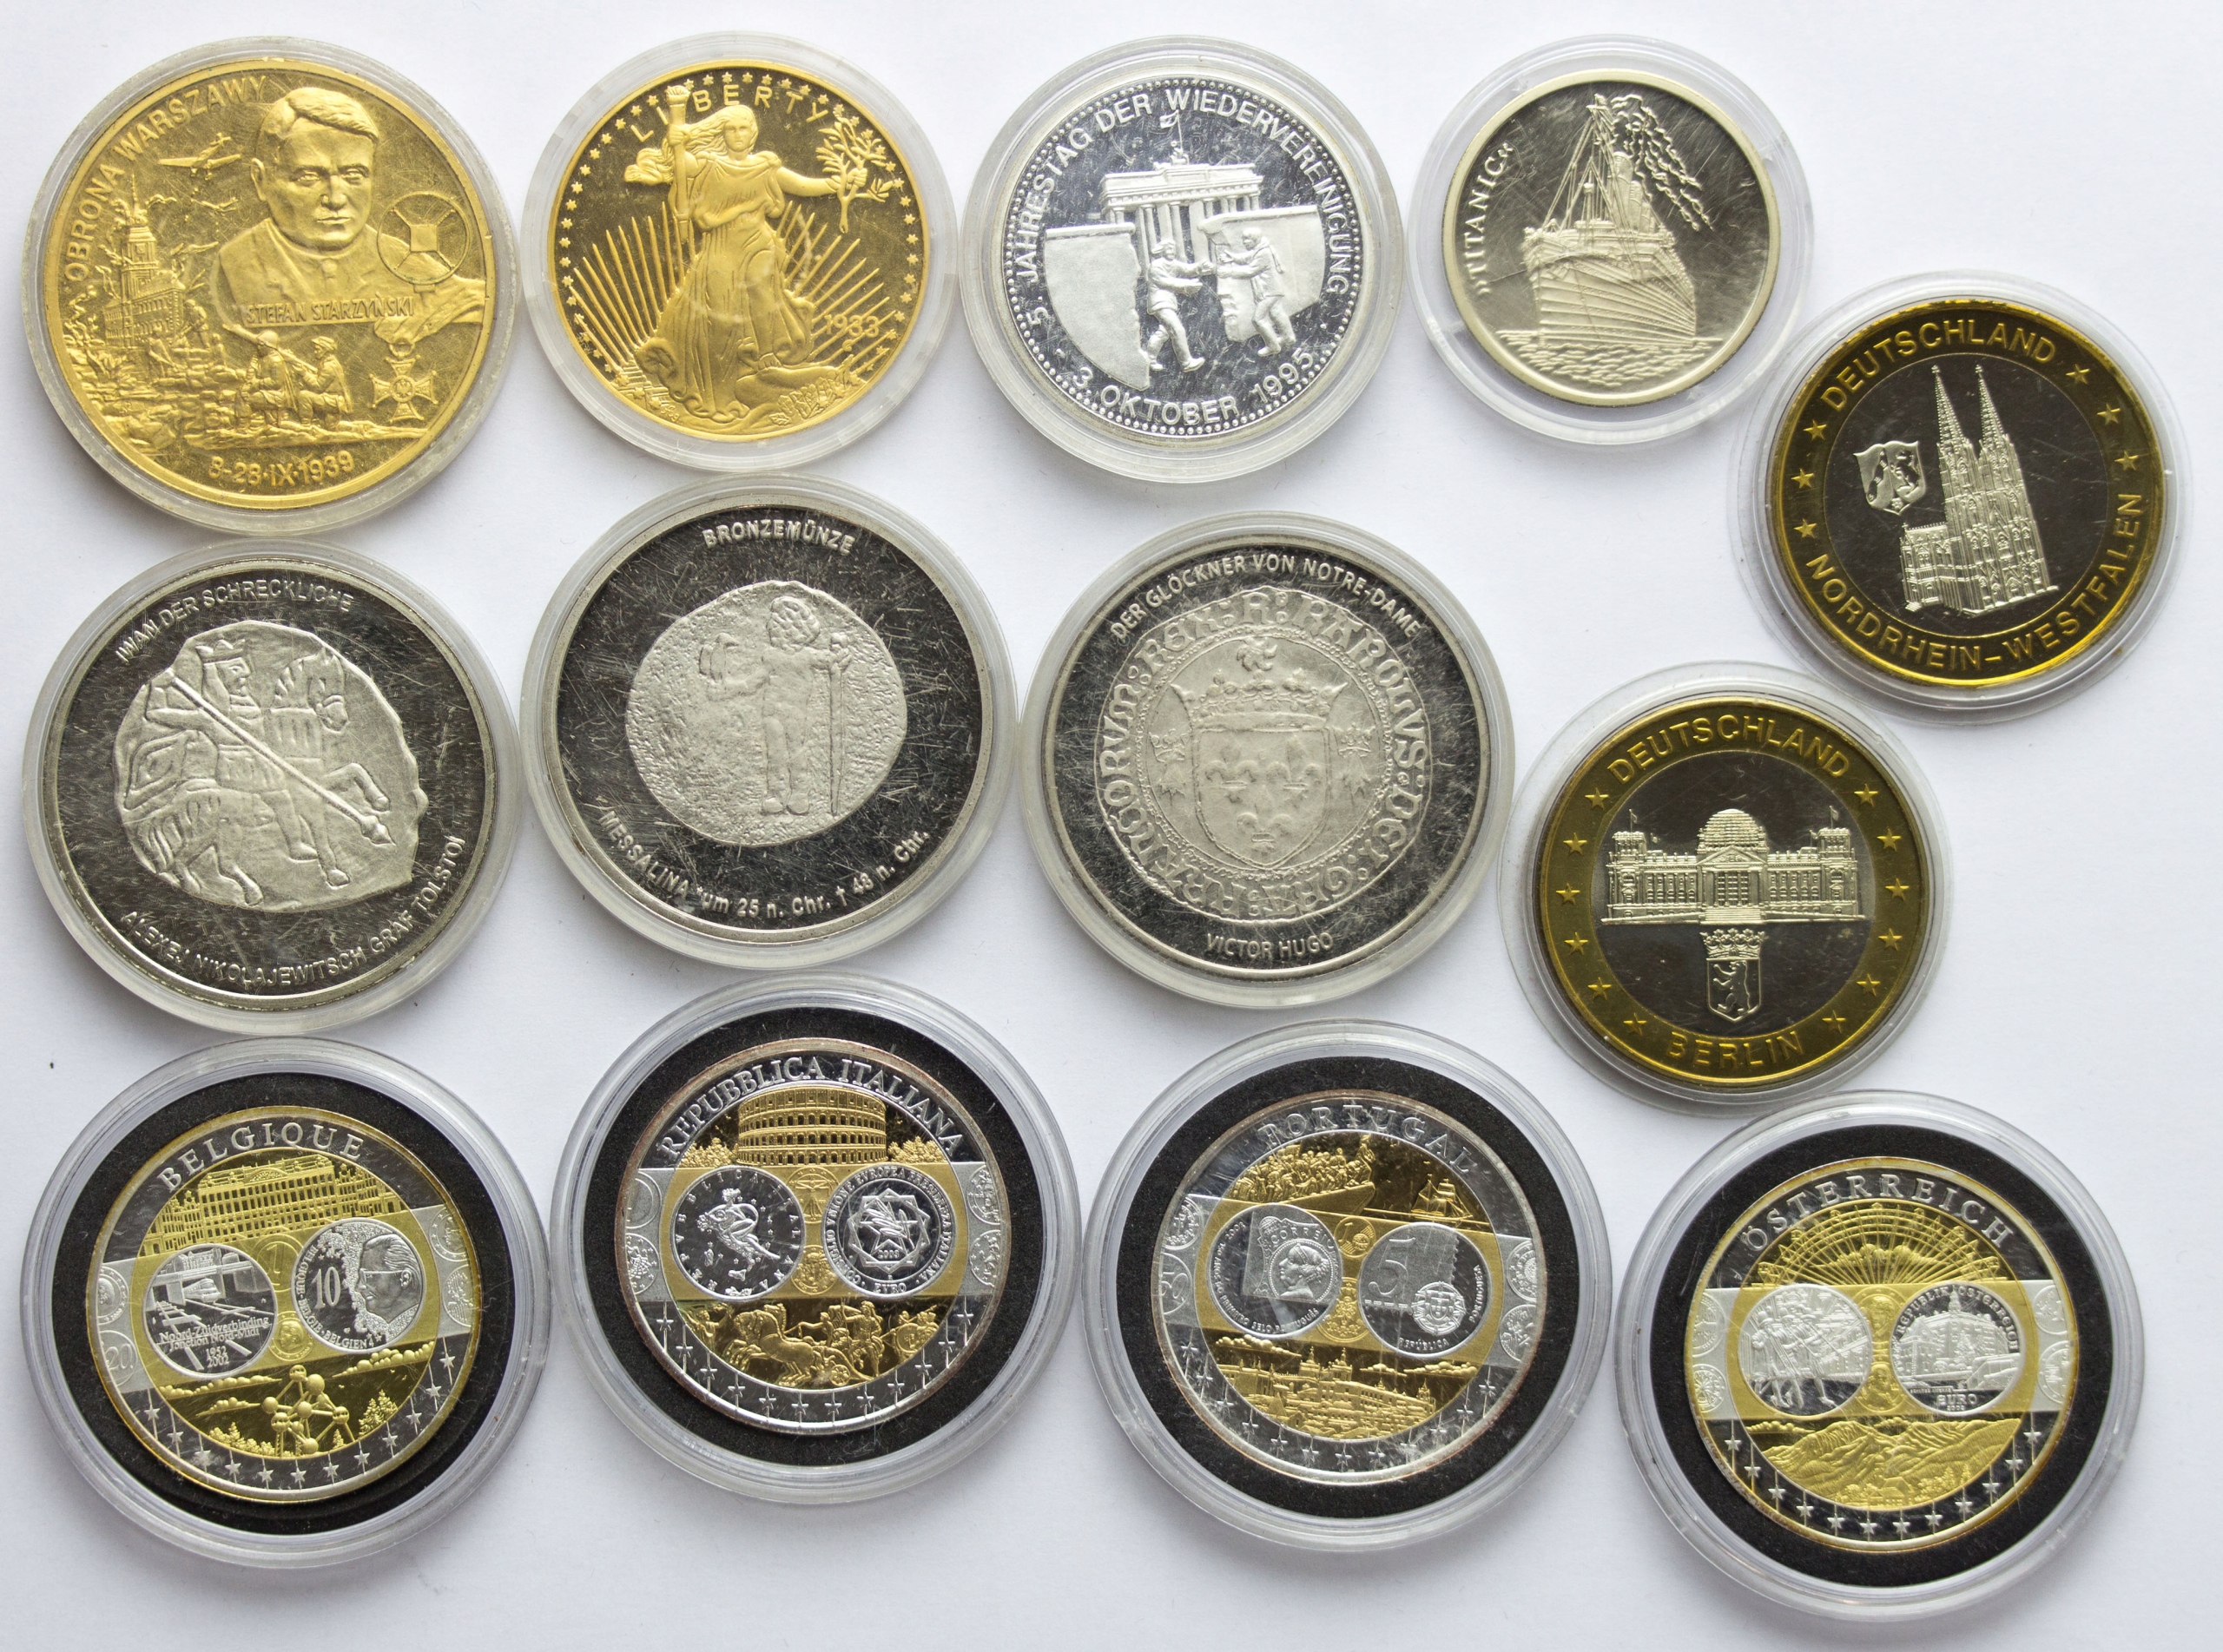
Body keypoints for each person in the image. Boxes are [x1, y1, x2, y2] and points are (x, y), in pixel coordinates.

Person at [627, 96, 856, 423]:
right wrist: (676, 139)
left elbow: (803, 185)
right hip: (720, 249)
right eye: (731, 129)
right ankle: (719, 398)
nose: (737, 134)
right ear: (723, 134)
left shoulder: (764, 166)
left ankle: (766, 355)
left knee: (762, 288)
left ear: (753, 133)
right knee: (720, 321)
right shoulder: (708, 163)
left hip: (758, 242)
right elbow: (682, 163)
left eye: (743, 129)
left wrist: (840, 183)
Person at [1221, 227, 1296, 357]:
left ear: (1255, 239)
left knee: (1258, 319)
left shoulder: (1263, 253)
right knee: (1276, 313)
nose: (1244, 242)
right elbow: (1246, 258)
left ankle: (1273, 346)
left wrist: (1230, 271)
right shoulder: (1259, 249)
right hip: (1273, 290)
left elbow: (1251, 270)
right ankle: (1288, 337)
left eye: (1247, 239)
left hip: (1269, 291)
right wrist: (1231, 258)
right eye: (1243, 239)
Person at [1142, 237, 1211, 372]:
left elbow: (1187, 269)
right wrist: (1187, 285)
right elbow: (1167, 282)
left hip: (1168, 303)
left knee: (1164, 332)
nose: (1172, 251)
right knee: (1178, 330)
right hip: (1160, 303)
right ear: (1162, 250)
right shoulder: (1156, 266)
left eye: (1173, 249)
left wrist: (1200, 266)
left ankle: (1149, 359)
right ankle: (1186, 362)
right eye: (1169, 248)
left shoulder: (1172, 263)